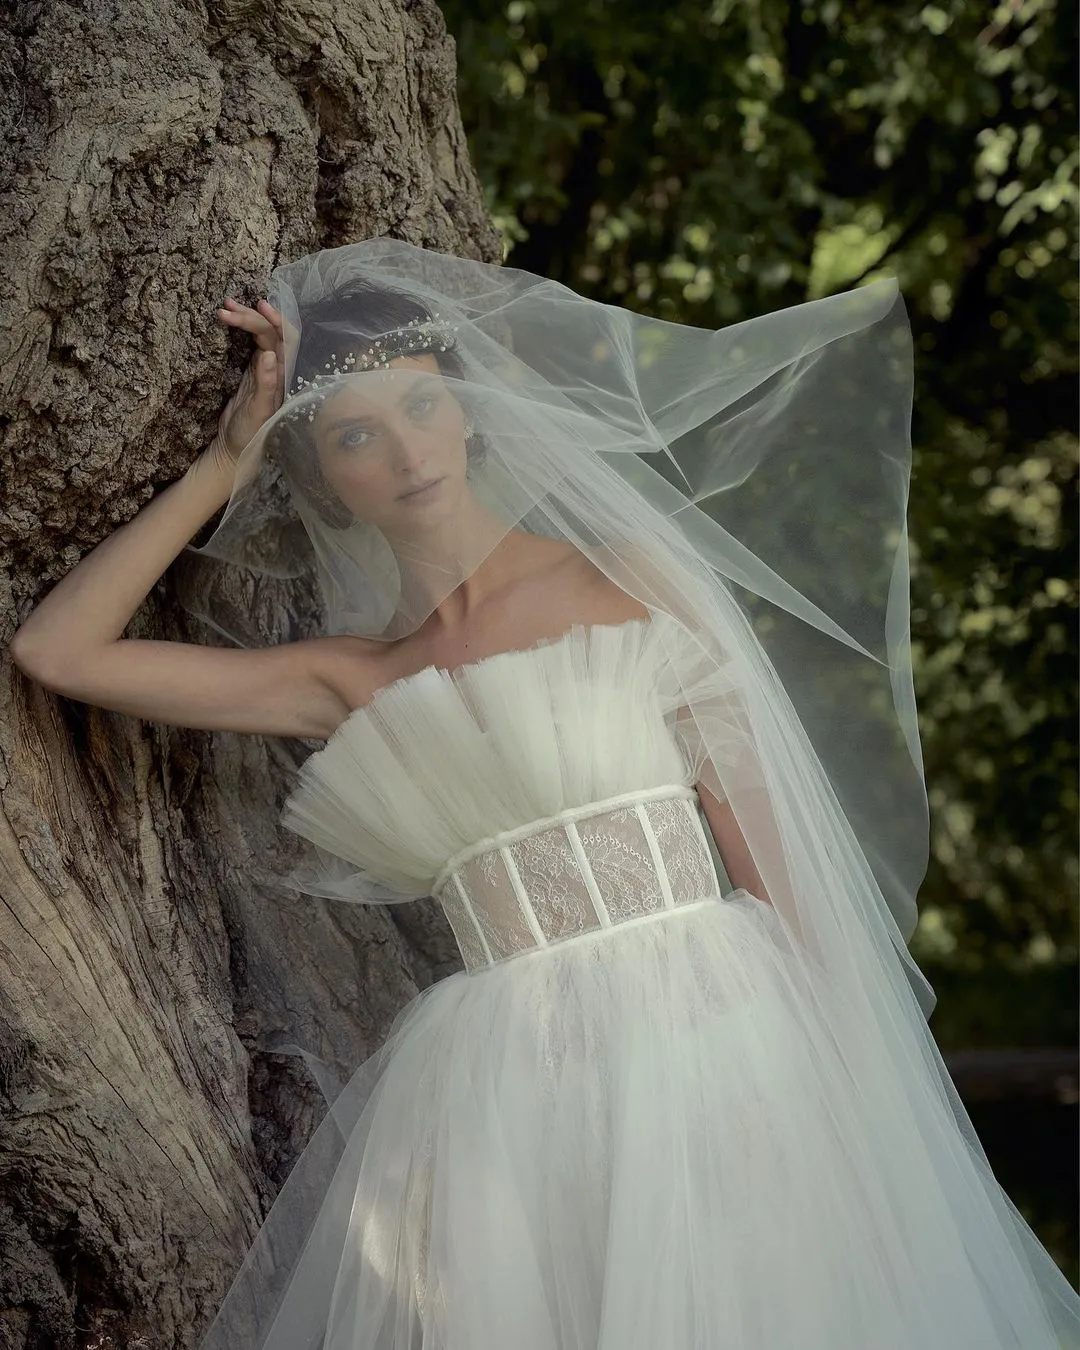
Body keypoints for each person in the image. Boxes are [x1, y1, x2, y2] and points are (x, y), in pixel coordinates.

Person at [11, 239, 1079, 1349]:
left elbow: (765, 843)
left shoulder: (629, 576)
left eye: (423, 405)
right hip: (506, 1084)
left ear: (467, 412)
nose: (407, 451)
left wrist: (851, 1082)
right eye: (355, 435)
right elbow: (58, 651)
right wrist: (226, 462)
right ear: (323, 475)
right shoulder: (353, 680)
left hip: (718, 1025)